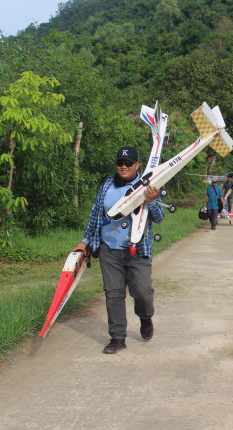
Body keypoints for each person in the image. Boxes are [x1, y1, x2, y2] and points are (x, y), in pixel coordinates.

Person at [75, 146, 165, 355]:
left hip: (137, 249)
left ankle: (145, 317)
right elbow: (96, 214)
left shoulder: (148, 184)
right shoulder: (107, 184)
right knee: (113, 294)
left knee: (142, 292)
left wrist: (152, 201)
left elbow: (159, 217)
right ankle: (117, 338)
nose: (123, 167)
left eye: (128, 163)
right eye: (120, 163)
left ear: (136, 165)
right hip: (109, 250)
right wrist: (85, 240)